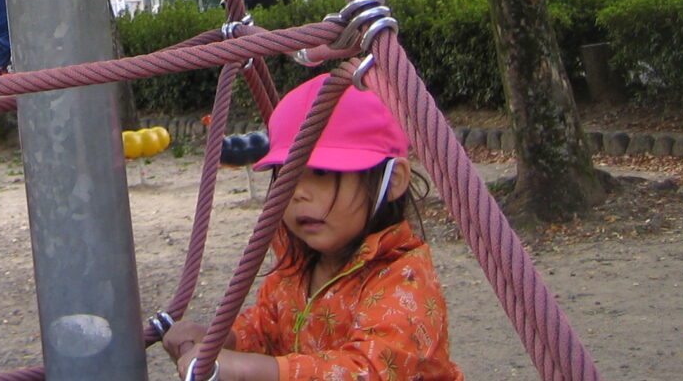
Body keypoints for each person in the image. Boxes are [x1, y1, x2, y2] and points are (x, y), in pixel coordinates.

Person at [161, 74, 463, 381]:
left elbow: (372, 370)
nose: (297, 192)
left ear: (393, 180)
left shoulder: (404, 277)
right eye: (287, 174)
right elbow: (266, 327)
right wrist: (221, 341)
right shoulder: (296, 267)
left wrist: (252, 370)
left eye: (322, 172)